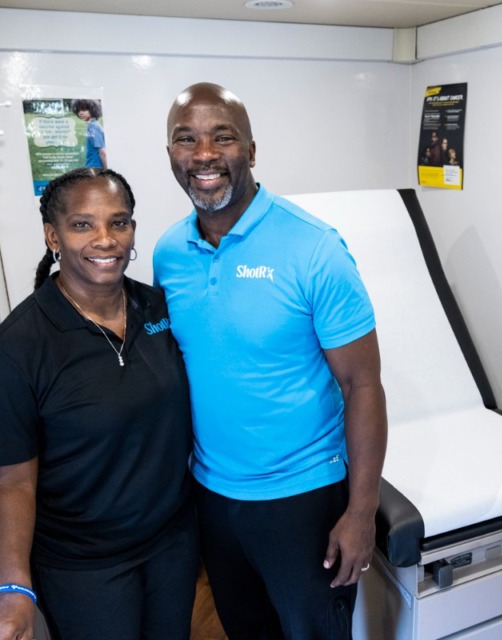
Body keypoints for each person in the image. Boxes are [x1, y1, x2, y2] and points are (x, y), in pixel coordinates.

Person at [154, 82, 388, 639]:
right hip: (213, 496)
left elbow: (363, 385)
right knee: (245, 629)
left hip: (303, 498)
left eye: (223, 137)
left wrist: (360, 514)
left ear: (251, 152)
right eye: (187, 139)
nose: (204, 154)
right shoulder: (168, 254)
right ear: (171, 156)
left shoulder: (313, 248)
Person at [0, 168, 198, 640]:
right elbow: (12, 482)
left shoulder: (159, 309)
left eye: (119, 222)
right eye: (82, 225)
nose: (105, 239)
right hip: (86, 567)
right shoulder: (16, 350)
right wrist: (13, 587)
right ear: (53, 236)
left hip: (173, 541)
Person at [71, 98, 107, 169]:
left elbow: (102, 152)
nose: (80, 113)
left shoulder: (94, 127)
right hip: (92, 166)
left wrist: (106, 170)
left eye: (84, 109)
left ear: (92, 109)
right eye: (78, 110)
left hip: (96, 167)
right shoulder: (91, 126)